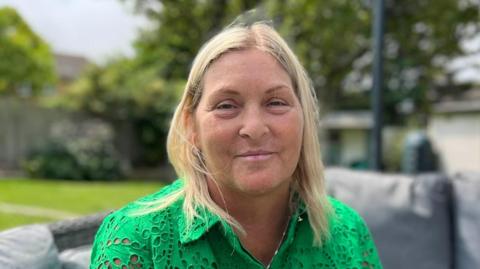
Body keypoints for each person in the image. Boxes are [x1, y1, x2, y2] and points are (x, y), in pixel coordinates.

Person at [90, 22, 383, 269]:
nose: (254, 128)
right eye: (226, 105)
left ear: (304, 119)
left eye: (276, 102)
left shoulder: (349, 231)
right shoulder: (136, 239)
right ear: (191, 127)